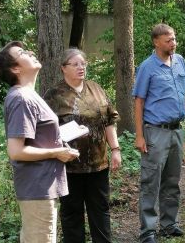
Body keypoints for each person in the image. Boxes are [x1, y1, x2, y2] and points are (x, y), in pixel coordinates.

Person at [0, 41, 80, 243]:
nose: (31, 52)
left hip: (43, 185)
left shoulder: (30, 95)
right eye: (22, 52)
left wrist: (60, 143)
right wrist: (57, 152)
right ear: (15, 68)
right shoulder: (21, 98)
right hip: (37, 187)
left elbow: (39, 138)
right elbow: (16, 151)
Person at [44, 48, 121, 243]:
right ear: (63, 68)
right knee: (71, 213)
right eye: (75, 64)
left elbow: (109, 121)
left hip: (98, 164)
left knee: (100, 210)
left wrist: (115, 149)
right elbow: (44, 129)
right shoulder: (53, 95)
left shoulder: (96, 88)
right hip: (69, 166)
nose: (81, 68)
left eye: (83, 64)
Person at [132, 23, 185, 243]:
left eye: (174, 39)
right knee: (151, 181)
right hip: (155, 131)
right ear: (156, 42)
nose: (173, 44)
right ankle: (148, 230)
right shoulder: (147, 67)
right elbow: (139, 102)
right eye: (168, 40)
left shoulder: (180, 62)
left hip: (177, 130)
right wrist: (139, 136)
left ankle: (169, 224)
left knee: (172, 180)